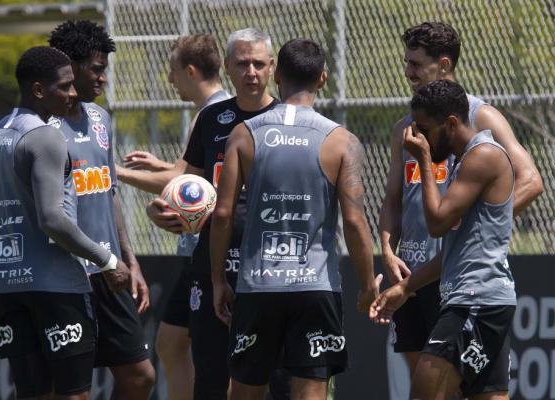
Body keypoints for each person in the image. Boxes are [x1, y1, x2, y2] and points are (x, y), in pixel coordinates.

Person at [119, 28, 289, 400]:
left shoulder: (290, 121)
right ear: (227, 66)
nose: (251, 72)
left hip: (274, 268)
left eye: (259, 64)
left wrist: (120, 173)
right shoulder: (213, 119)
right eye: (242, 63)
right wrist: (161, 209)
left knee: (274, 379)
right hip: (211, 264)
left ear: (272, 68)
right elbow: (190, 184)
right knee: (209, 372)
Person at [210, 38, 381, 400]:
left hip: (258, 286)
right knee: (311, 393)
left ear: (276, 77)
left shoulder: (243, 134)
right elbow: (354, 221)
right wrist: (367, 283)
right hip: (315, 287)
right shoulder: (341, 140)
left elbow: (222, 213)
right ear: (322, 78)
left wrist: (217, 280)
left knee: (243, 392)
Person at [379, 21, 543, 377]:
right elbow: (392, 199)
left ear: (444, 65)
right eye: (406, 62)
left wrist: (473, 228)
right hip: (410, 272)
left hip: (456, 273)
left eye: (416, 64)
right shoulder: (405, 127)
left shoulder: (480, 117)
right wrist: (387, 250)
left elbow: (531, 181)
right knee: (423, 383)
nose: (408, 72)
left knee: (451, 384)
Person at [0, 46, 130, 400]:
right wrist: (108, 260)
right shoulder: (46, 136)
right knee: (73, 394)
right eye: (64, 86)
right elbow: (53, 220)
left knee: (32, 394)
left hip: (7, 285)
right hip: (55, 287)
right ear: (37, 90)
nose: (73, 92)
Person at [371, 79, 518, 400]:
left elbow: (436, 224)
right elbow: (454, 250)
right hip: (481, 300)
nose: (417, 136)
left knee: (425, 392)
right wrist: (407, 287)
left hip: (475, 301)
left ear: (451, 123)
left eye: (424, 129)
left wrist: (423, 160)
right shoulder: (467, 160)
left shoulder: (483, 156)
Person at [117, 33, 231, 400]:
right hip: (196, 251)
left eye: (172, 71)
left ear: (191, 70)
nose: (169, 79)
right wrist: (164, 165)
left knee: (211, 352)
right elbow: (203, 176)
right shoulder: (216, 108)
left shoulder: (216, 111)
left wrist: (114, 172)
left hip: (212, 251)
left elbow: (180, 181)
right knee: (170, 342)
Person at [48, 20, 156, 399]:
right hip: (65, 274)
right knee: (74, 391)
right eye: (96, 68)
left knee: (140, 377)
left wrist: (132, 260)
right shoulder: (42, 127)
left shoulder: (100, 119)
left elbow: (109, 192)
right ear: (69, 67)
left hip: (110, 271)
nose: (103, 78)